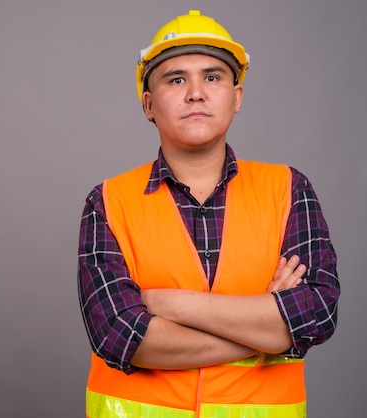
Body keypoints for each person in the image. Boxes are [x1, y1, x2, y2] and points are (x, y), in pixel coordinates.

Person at [77, 9, 340, 418]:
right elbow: (121, 336)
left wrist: (170, 305)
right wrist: (267, 326)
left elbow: (317, 313)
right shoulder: (108, 201)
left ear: (236, 98)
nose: (196, 92)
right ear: (148, 104)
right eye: (176, 79)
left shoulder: (288, 189)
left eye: (213, 77)